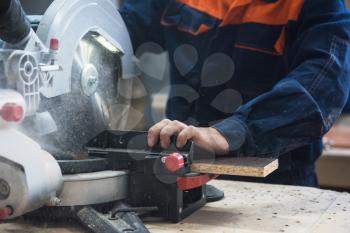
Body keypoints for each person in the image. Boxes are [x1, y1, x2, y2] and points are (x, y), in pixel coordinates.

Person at [120, 0, 350, 187]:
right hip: (181, 171)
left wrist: (230, 134)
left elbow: (323, 86)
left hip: (275, 185)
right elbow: (111, 32)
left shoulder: (315, 5)